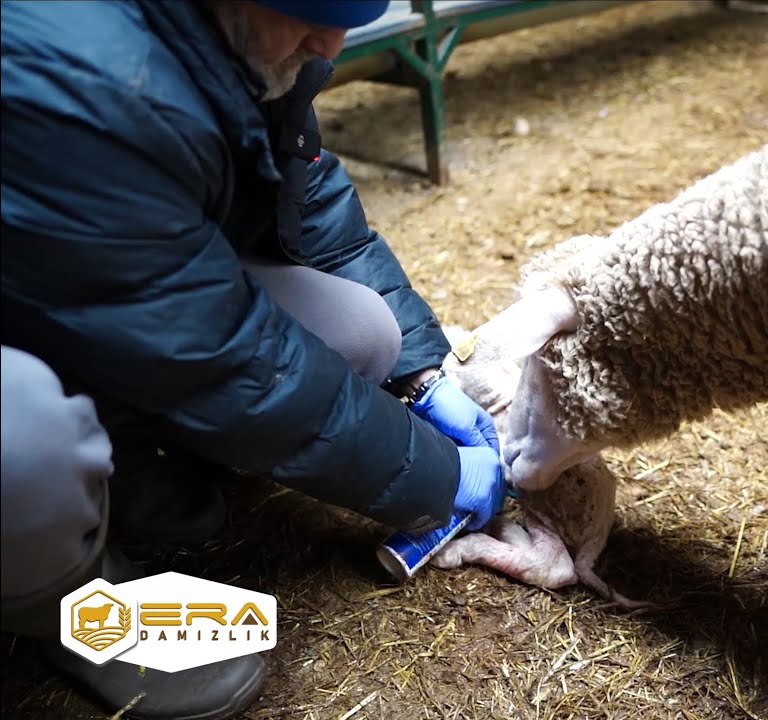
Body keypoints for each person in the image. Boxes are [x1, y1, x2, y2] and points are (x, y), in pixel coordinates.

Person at [0, 1, 508, 718]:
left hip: (85, 279)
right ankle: (73, 603)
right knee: (19, 436)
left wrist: (422, 373)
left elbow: (313, 201)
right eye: (302, 5)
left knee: (364, 329)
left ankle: (141, 454)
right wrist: (435, 478)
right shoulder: (86, 84)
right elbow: (221, 357)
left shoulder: (238, 42)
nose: (331, 42)